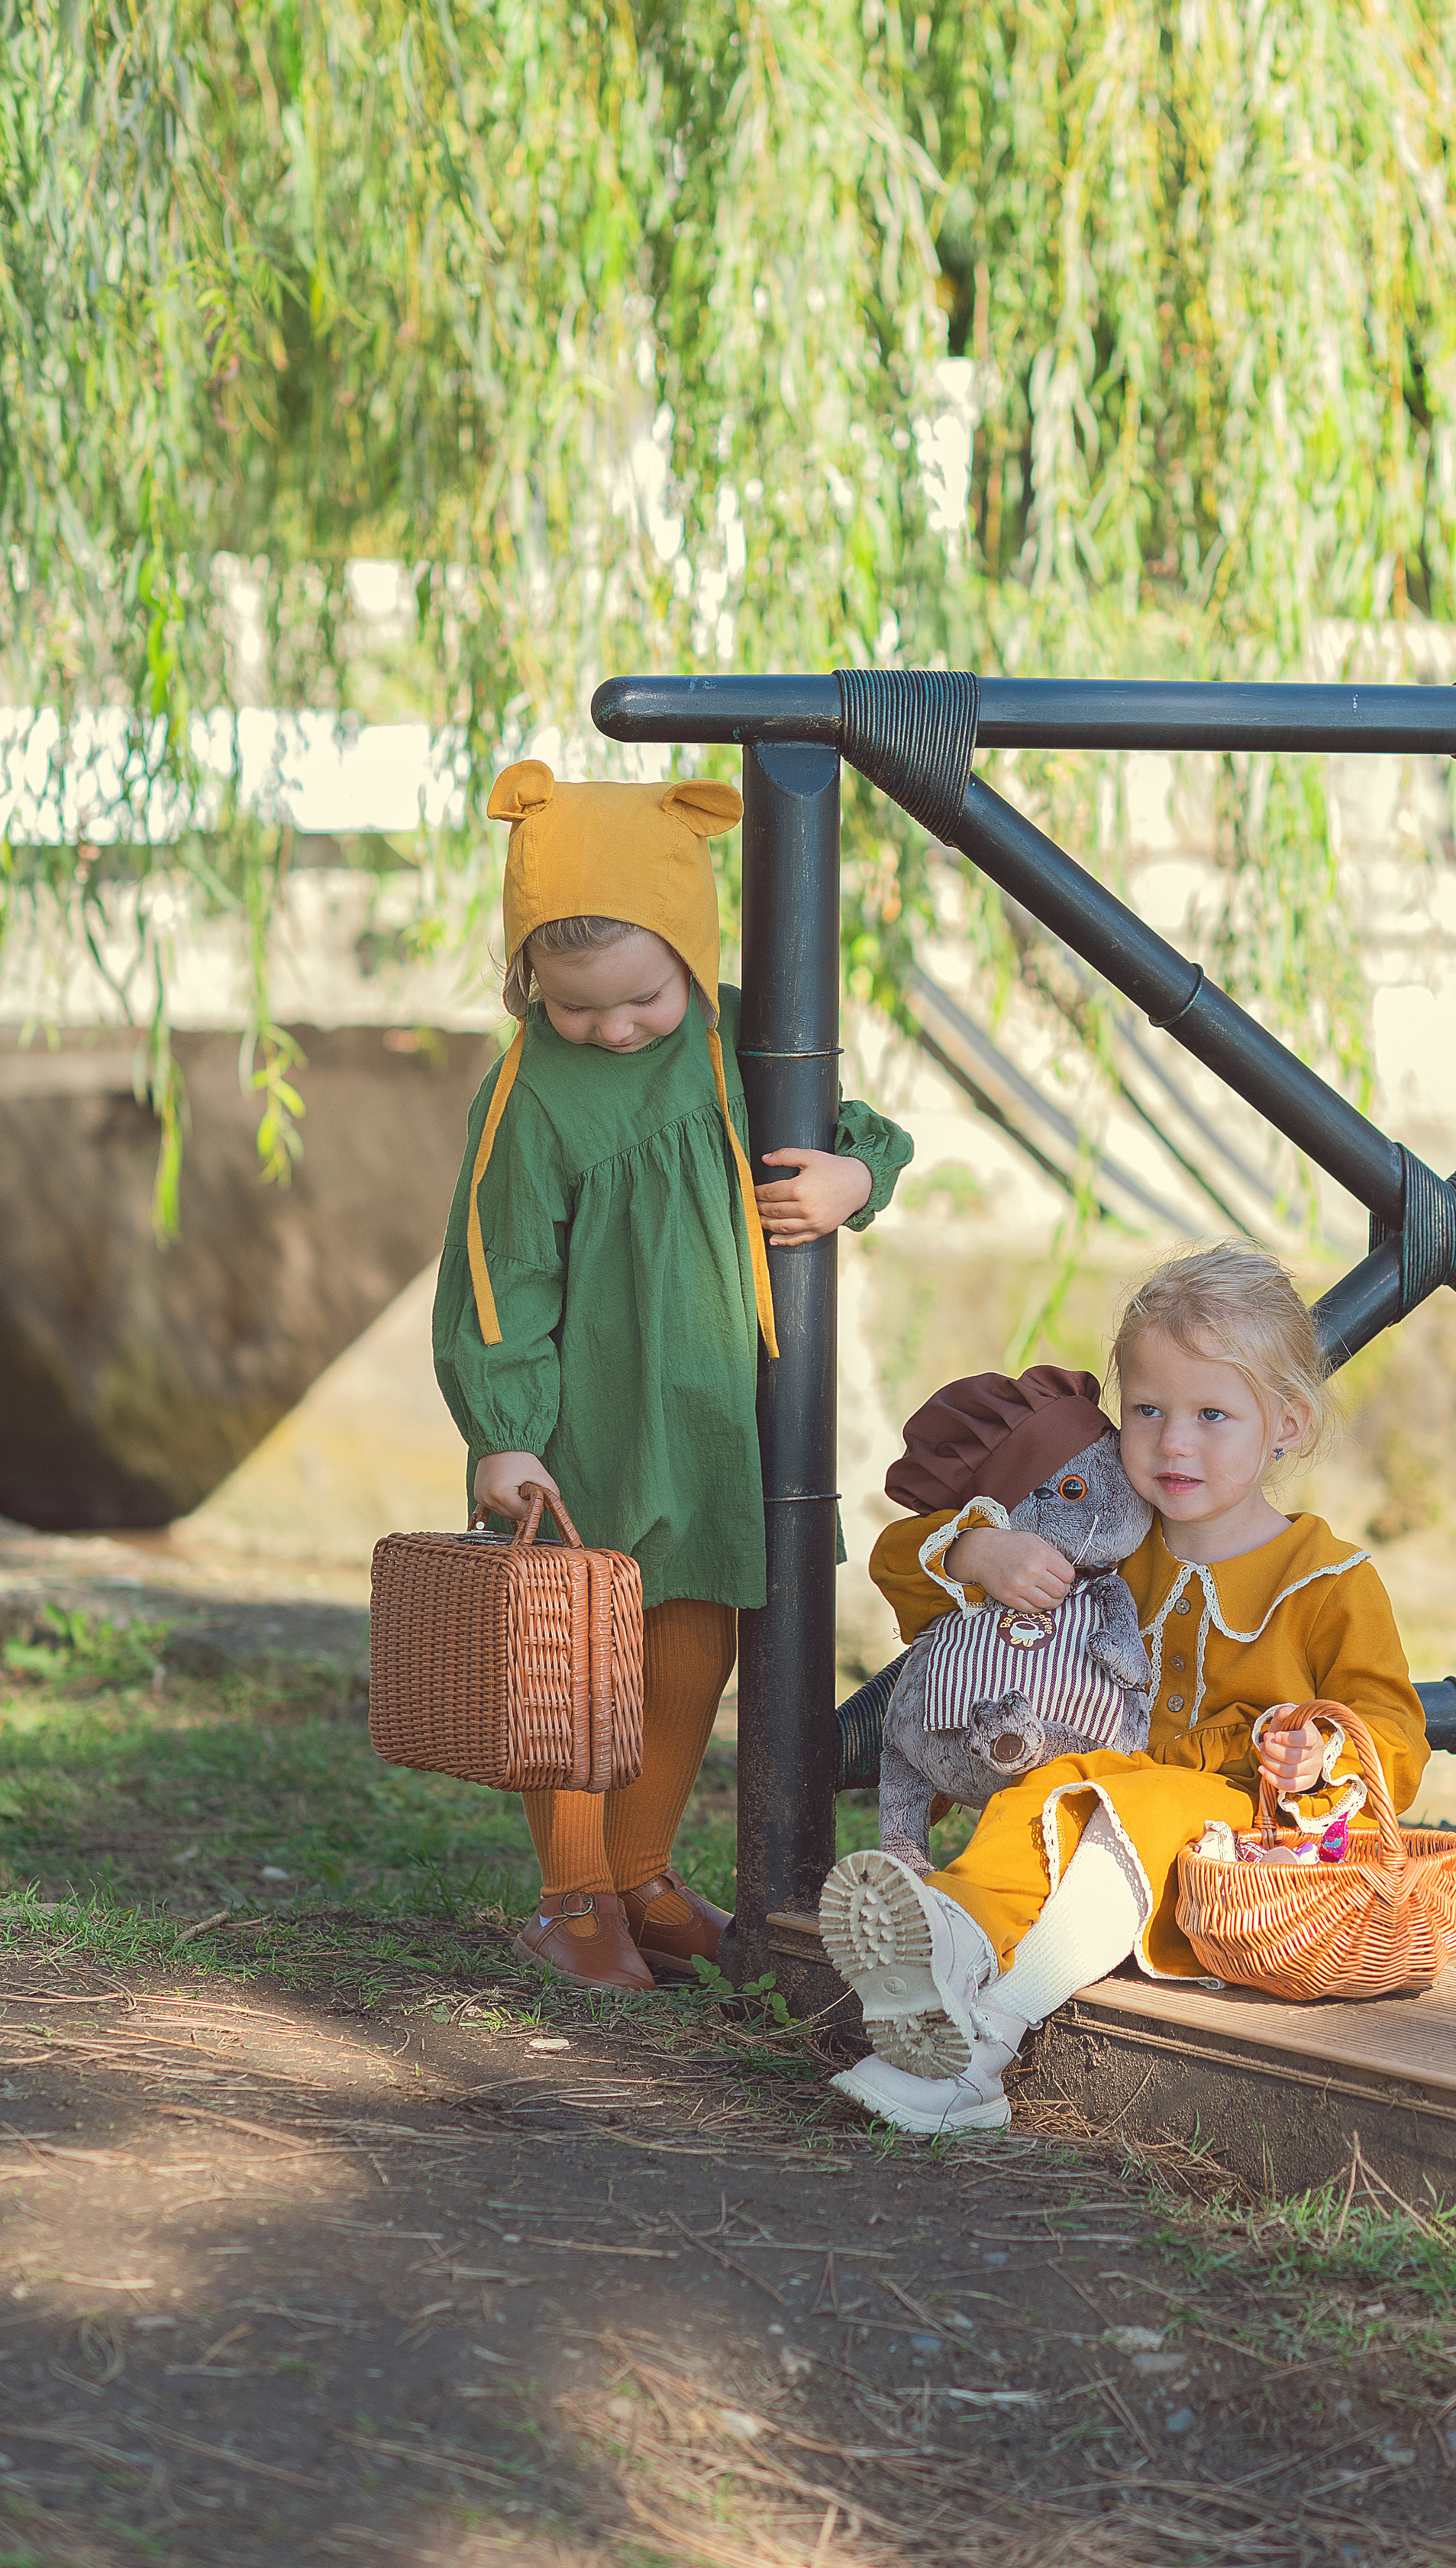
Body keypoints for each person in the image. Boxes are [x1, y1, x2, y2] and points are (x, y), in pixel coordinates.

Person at [433, 758, 912, 1991]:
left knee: (697, 1639)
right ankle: (573, 1895)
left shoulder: (739, 1032)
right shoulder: (531, 1093)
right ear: (527, 978)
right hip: (588, 1425)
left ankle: (642, 1872)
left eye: (644, 994)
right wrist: (504, 1429)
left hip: (713, 1419)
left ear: (691, 949)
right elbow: (497, 1272)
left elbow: (850, 1122)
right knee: (574, 1659)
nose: (616, 1027)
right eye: (576, 1004)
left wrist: (853, 1176)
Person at [819, 1241, 1427, 2131]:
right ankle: (945, 1949)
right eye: (1147, 1410)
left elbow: (1394, 1733)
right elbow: (898, 1558)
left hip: (1245, 1848)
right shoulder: (1108, 1539)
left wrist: (1323, 1752)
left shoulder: (1328, 1578)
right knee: (1044, 1796)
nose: (1172, 1442)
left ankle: (986, 2036)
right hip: (1088, 1803)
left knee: (1130, 1803)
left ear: (1287, 1425)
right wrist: (979, 1550)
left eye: (1212, 1414)